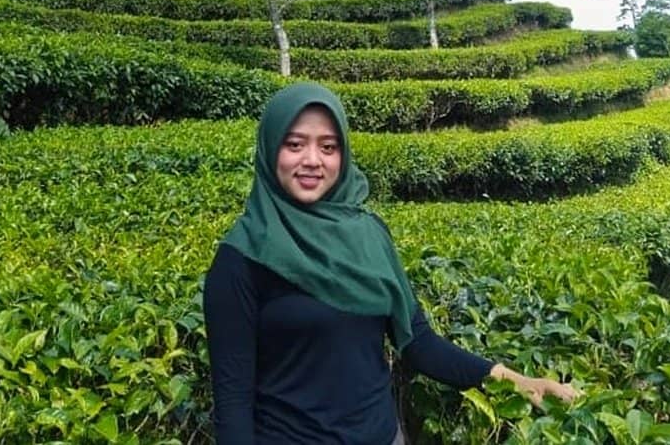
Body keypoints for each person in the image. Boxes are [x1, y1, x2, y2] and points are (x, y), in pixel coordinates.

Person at [203, 82, 577, 444]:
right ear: (270, 150)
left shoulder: (369, 236)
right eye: (295, 144)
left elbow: (419, 343)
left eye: (329, 147)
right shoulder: (242, 258)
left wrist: (517, 380)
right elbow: (233, 401)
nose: (313, 160)